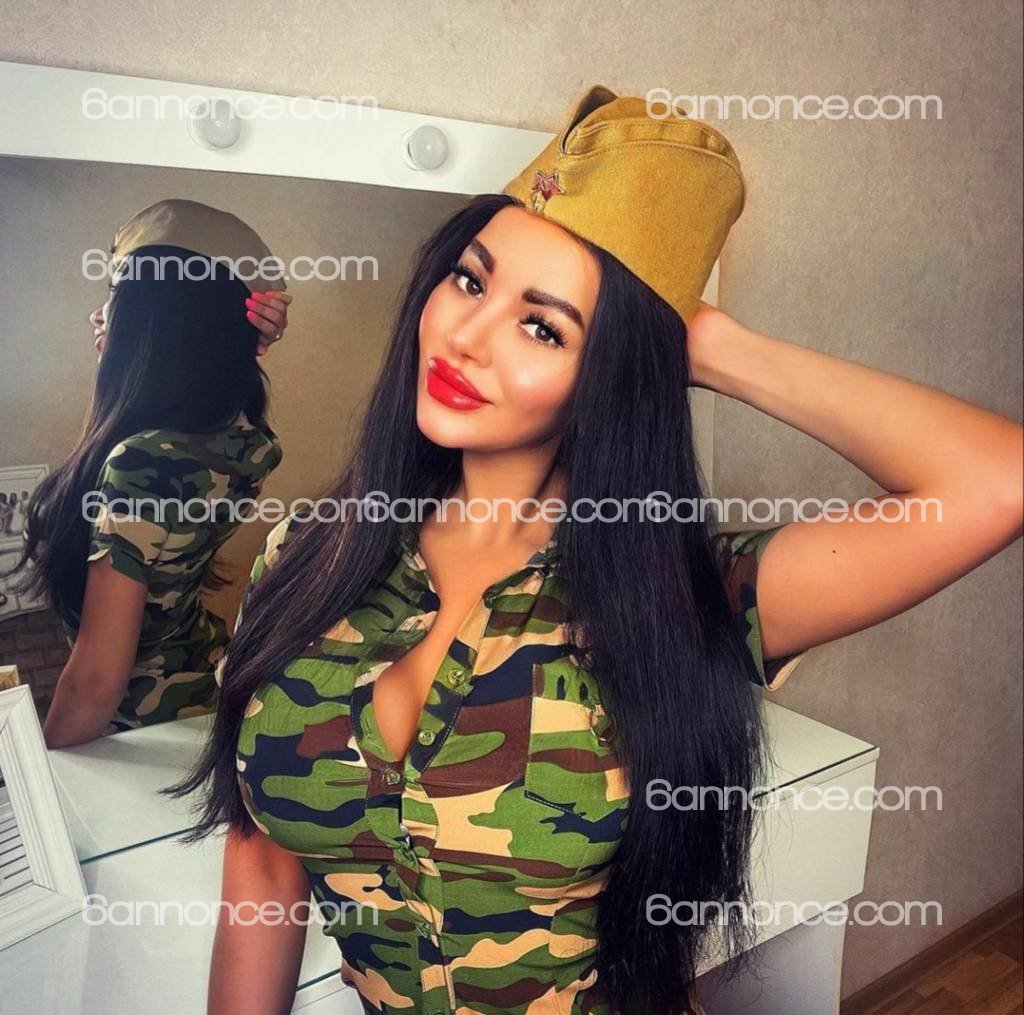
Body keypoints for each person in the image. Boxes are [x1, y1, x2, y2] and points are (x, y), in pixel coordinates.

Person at [168, 88, 1023, 1015]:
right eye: (470, 280)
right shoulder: (309, 555)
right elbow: (261, 855)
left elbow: (996, 481)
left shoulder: (684, 589)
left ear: (614, 370)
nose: (466, 336)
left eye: (543, 325)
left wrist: (710, 346)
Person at [8, 199, 292, 746]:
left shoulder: (140, 462)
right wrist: (237, 336)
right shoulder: (246, 438)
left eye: (114, 298)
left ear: (150, 323)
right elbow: (202, 362)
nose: (98, 317)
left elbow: (96, 683)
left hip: (138, 727)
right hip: (202, 688)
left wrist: (39, 774)